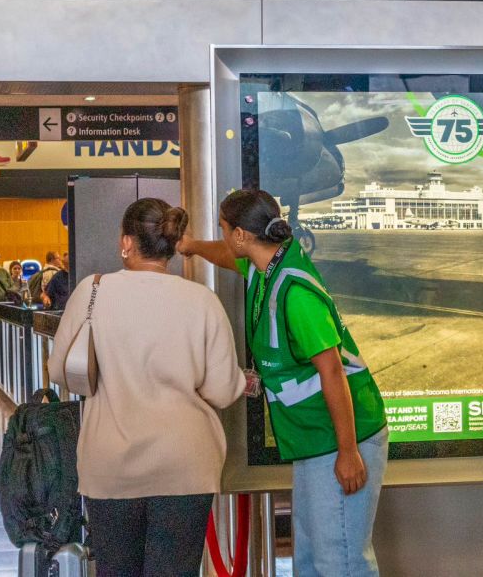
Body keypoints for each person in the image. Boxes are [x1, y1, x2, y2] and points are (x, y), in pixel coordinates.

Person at [179, 189, 388, 577]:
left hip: (340, 437)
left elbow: (332, 372)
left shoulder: (295, 295)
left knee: (340, 562)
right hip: (313, 439)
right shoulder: (266, 266)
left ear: (242, 234)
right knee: (309, 561)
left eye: (225, 230)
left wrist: (348, 452)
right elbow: (227, 256)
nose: (224, 238)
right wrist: (190, 246)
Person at [46, 198, 244, 577]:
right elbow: (222, 390)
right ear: (172, 246)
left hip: (111, 463)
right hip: (186, 462)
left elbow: (60, 370)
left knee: (117, 569)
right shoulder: (202, 299)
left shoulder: (93, 291)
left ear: (126, 243)